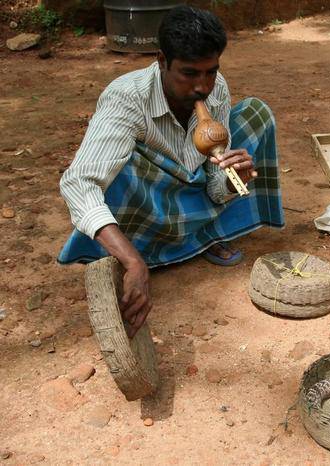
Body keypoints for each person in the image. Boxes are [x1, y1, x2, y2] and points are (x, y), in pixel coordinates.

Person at [58, 5, 284, 337]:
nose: (203, 86)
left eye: (211, 71)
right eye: (190, 73)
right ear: (162, 60)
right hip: (151, 195)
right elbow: (78, 183)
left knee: (255, 115)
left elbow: (214, 185)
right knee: (118, 164)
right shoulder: (127, 98)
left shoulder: (216, 88)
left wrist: (236, 181)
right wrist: (132, 262)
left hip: (193, 191)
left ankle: (207, 234)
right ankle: (137, 252)